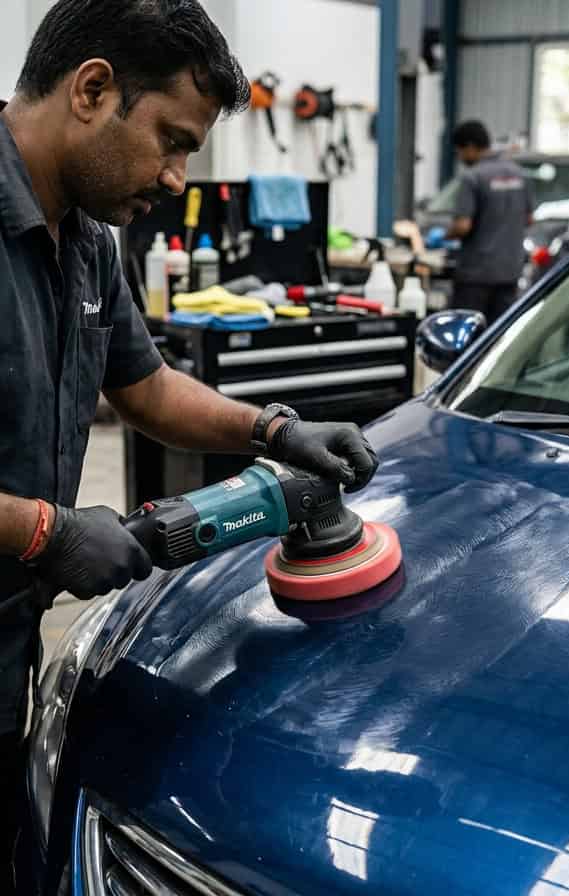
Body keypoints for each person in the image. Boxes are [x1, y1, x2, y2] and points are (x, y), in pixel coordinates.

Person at [0, 1, 379, 887]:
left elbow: (147, 387)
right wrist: (47, 532)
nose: (177, 179)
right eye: (171, 141)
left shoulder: (88, 239)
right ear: (93, 90)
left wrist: (275, 429)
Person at [447, 120, 534, 324]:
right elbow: (529, 219)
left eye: (459, 152)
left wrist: (444, 235)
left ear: (470, 147)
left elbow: (463, 226)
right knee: (500, 332)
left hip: (475, 275)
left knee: (470, 331)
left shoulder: (472, 177)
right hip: (510, 272)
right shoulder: (519, 174)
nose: (460, 158)